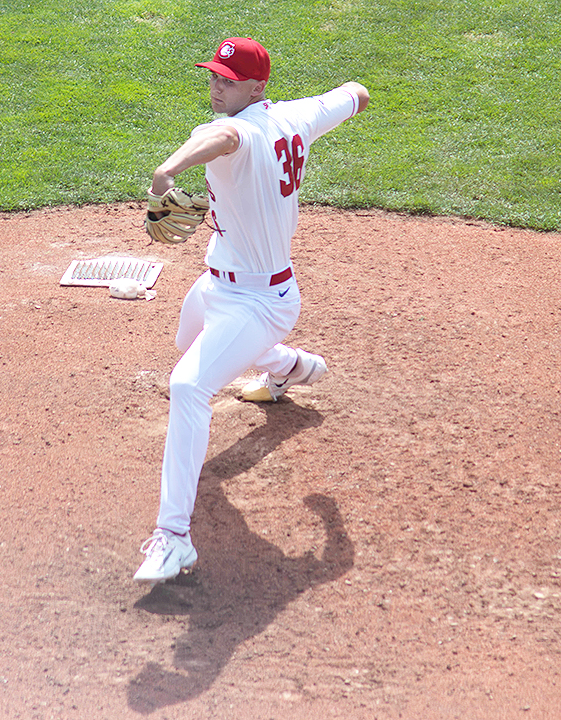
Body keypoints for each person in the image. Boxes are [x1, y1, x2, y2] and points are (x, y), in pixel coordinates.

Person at [134, 37, 370, 584]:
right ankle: (286, 365)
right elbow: (356, 93)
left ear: (257, 87)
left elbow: (224, 137)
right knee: (188, 346)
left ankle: (173, 539)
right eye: (213, 75)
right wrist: (346, 100)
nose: (216, 85)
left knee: (190, 384)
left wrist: (165, 173)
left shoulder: (230, 131)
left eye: (228, 79)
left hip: (262, 301)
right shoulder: (296, 116)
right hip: (218, 287)